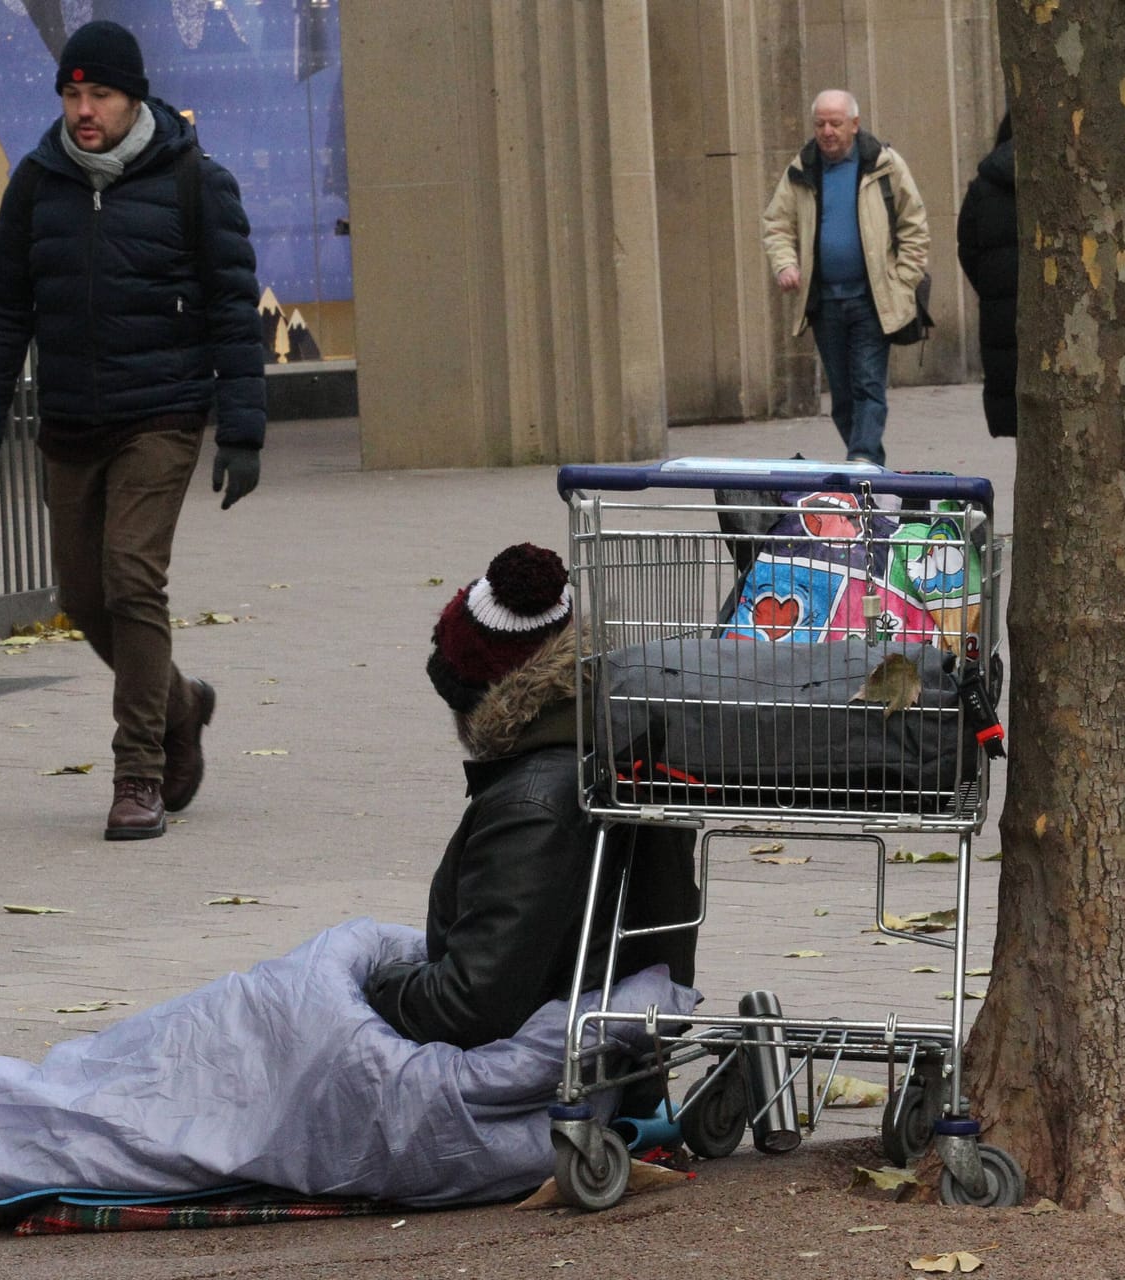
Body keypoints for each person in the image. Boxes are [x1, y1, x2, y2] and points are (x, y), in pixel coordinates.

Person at [0, 19, 265, 842]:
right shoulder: (37, 182)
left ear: (135, 98)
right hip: (69, 420)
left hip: (160, 414)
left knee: (131, 579)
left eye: (99, 94)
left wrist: (243, 428)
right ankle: (182, 702)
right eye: (72, 93)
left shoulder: (196, 181)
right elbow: (2, 312)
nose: (83, 110)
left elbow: (234, 311)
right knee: (81, 596)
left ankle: (139, 774)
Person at [364, 543, 698, 1051]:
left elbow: (469, 1006)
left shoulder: (532, 806)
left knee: (305, 990)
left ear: (479, 699)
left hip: (526, 1070)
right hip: (589, 1034)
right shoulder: (609, 744)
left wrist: (376, 990)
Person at [761, 89, 930, 468]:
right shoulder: (802, 169)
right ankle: (870, 467)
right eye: (820, 123)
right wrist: (786, 265)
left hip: (874, 299)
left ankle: (863, 458)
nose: (827, 131)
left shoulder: (884, 164)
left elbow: (914, 224)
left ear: (854, 124)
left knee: (868, 385)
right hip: (824, 302)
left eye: (835, 123)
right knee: (841, 396)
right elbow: (777, 223)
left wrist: (902, 282)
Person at [957, 115, 1018, 439]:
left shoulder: (983, 187)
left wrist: (995, 288)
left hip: (1001, 317)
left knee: (1022, 423)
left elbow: (967, 248)